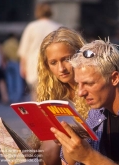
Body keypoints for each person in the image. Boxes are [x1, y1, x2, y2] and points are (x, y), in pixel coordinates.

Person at [26, 27, 89, 165]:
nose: (61, 69)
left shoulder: (93, 86)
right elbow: (43, 137)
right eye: (53, 63)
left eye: (66, 59)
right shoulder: (52, 92)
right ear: (46, 65)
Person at [17, 2, 61, 101]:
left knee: (36, 93)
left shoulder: (31, 27)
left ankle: (38, 114)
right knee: (51, 93)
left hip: (33, 64)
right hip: (52, 63)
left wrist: (22, 66)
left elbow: (24, 49)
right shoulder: (58, 27)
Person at [2, 33, 23, 102]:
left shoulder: (5, 43)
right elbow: (21, 53)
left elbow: (3, 54)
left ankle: (11, 97)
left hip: (8, 62)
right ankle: (17, 97)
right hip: (16, 62)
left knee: (10, 81)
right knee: (17, 81)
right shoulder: (16, 43)